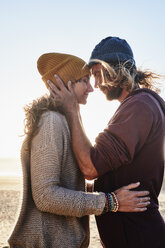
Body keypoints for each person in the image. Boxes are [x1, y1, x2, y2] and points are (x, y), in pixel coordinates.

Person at [7, 52, 149, 248]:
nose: (92, 88)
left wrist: (109, 190)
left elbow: (65, 183)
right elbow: (45, 196)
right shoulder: (51, 122)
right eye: (84, 81)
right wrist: (110, 202)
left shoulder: (64, 121)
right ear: (66, 84)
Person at [48, 37, 165, 248]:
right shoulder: (140, 104)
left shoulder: (139, 106)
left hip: (140, 238)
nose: (95, 84)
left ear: (116, 68)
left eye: (96, 74)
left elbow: (90, 167)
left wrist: (72, 109)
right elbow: (113, 176)